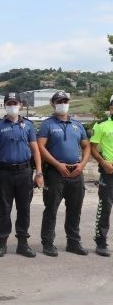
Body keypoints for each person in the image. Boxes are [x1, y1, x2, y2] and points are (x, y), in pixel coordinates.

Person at [0, 92, 42, 258]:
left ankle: (23, 244)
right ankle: (2, 242)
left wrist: (39, 172)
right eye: (9, 103)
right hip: (5, 173)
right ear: (5, 105)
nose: (12, 106)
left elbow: (35, 149)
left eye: (15, 103)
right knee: (4, 209)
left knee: (24, 209)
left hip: (25, 172)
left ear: (21, 105)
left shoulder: (29, 126)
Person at [37, 90, 90, 257]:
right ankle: (47, 243)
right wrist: (57, 164)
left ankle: (73, 242)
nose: (63, 104)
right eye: (59, 101)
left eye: (65, 101)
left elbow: (86, 146)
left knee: (75, 209)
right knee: (51, 208)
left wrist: (82, 164)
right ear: (53, 103)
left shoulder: (77, 125)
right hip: (55, 172)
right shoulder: (47, 124)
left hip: (76, 172)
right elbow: (40, 147)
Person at [89, 94, 113, 257]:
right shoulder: (101, 126)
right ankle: (101, 241)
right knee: (105, 207)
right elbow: (92, 149)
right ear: (111, 107)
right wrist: (104, 163)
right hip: (108, 171)